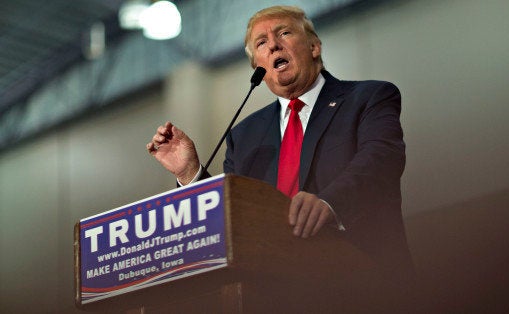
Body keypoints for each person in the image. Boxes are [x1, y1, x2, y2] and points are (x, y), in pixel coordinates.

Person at [147, 5, 416, 310]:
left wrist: (330, 203)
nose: (273, 44)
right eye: (261, 43)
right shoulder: (244, 136)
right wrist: (191, 174)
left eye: (284, 33)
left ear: (314, 47)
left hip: (365, 285)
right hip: (273, 296)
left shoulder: (368, 98)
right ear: (258, 69)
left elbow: (382, 159)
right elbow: (232, 213)